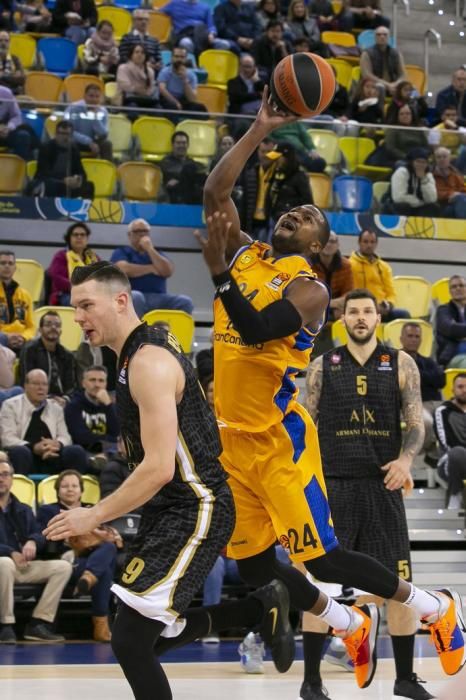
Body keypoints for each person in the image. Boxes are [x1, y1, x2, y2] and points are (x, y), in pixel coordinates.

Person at [198, 87, 465, 693]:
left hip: (280, 439)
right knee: (253, 563)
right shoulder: (247, 257)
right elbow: (216, 195)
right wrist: (260, 127)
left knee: (319, 558)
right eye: (290, 210)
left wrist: (215, 273)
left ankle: (434, 606)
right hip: (230, 438)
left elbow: (258, 327)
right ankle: (347, 622)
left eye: (309, 217)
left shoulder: (311, 291)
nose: (294, 212)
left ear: (320, 247)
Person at [44, 260, 297, 700]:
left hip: (196, 505)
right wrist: (116, 518)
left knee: (130, 641)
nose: (77, 317)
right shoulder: (133, 351)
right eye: (74, 307)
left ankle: (261, 606)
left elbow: (160, 467)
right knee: (142, 637)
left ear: (121, 300)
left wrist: (94, 515)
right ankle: (259, 607)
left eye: (86, 305)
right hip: (170, 506)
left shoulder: (149, 362)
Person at [302, 289, 434, 700]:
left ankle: (405, 678)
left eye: (367, 311)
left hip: (383, 486)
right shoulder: (323, 365)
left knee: (400, 584)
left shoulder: (401, 363)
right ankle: (311, 681)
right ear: (343, 319)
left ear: (379, 317)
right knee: (319, 587)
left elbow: (415, 422)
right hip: (334, 487)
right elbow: (306, 421)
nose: (361, 317)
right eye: (353, 311)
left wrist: (406, 460)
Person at [37, 469, 119, 642]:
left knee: (108, 549)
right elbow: (45, 539)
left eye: (74, 485)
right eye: (65, 486)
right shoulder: (48, 510)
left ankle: (88, 577)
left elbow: (109, 535)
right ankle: (101, 626)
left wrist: (104, 534)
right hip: (68, 560)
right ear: (58, 490)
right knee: (104, 568)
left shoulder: (92, 510)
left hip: (92, 559)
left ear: (81, 490)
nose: (70, 489)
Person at [0, 452, 72, 643]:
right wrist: (10, 551)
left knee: (62, 567)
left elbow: (40, 533)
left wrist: (32, 541)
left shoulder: (22, 508)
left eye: (5, 475)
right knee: (4, 563)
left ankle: (39, 623)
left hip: (23, 566)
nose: (1, 479)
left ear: (12, 479)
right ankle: (5, 625)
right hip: (4, 565)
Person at [0, 369, 88, 476]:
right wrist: (34, 447)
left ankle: (74, 488)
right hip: (27, 456)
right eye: (36, 384)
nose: (41, 388)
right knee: (20, 452)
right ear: (25, 386)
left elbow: (65, 437)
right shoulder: (10, 405)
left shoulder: (55, 408)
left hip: (53, 454)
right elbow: (7, 438)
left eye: (44, 384)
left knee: (76, 451)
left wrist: (57, 444)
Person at [110, 217, 194, 318]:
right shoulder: (122, 251)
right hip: (133, 296)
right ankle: (136, 332)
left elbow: (167, 271)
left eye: (145, 231)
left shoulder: (156, 253)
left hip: (159, 297)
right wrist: (152, 268)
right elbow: (123, 269)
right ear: (129, 235)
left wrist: (150, 249)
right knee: (136, 296)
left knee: (185, 301)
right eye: (137, 231)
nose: (142, 234)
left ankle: (175, 333)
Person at [400, 322, 445, 462]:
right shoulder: (394, 359)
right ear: (401, 338)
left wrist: (415, 374)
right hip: (408, 405)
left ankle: (449, 455)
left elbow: (441, 380)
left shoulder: (428, 361)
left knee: (456, 415)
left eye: (417, 336)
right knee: (426, 421)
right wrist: (427, 378)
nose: (413, 339)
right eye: (410, 336)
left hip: (434, 403)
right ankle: (429, 453)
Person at [349, 229, 410, 321]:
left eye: (372, 242)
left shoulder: (384, 267)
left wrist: (388, 305)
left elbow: (391, 293)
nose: (369, 245)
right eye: (365, 242)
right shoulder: (350, 265)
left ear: (376, 244)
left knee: (404, 314)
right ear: (359, 243)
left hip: (382, 310)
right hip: (360, 308)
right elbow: (350, 292)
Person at [64, 365, 119, 465]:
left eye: (101, 381)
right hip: (85, 452)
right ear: (83, 383)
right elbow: (80, 437)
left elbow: (117, 434)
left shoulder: (111, 407)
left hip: (109, 451)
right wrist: (106, 442)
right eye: (92, 380)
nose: (97, 384)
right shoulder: (73, 406)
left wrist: (108, 406)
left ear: (106, 384)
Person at [19, 310, 77, 405]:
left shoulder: (67, 355)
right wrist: (46, 399)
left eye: (57, 325)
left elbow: (71, 386)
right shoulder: (30, 350)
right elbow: (26, 380)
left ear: (61, 331)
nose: (53, 327)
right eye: (48, 324)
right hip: (36, 399)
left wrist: (65, 399)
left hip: (61, 401)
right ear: (40, 329)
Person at [29, 120, 94, 199]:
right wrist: (64, 179)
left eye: (68, 134)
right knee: (50, 184)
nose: (65, 137)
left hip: (68, 182)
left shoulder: (74, 149)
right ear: (56, 134)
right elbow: (44, 172)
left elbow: (81, 172)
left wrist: (77, 179)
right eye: (62, 134)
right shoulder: (46, 147)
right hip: (51, 180)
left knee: (89, 186)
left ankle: (84, 209)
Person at [47, 222, 100, 306]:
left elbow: (103, 278)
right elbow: (57, 278)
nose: (79, 237)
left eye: (82, 235)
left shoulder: (94, 258)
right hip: (66, 294)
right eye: (75, 235)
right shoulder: (61, 256)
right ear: (69, 238)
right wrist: (79, 288)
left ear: (87, 238)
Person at [434, 373, 466, 511]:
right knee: (457, 452)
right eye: (460, 386)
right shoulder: (443, 411)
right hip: (449, 461)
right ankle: (455, 495)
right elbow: (446, 443)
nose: (464, 390)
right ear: (452, 389)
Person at [264, 142, 313, 230]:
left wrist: (288, 211)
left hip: (289, 224)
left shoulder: (299, 176)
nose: (275, 160)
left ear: (287, 157)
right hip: (273, 219)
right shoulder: (276, 173)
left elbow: (308, 202)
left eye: (278, 157)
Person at [310, 231, 353, 322]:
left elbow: (348, 293)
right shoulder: (308, 263)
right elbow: (307, 295)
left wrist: (335, 303)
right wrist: (330, 303)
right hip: (313, 307)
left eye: (332, 241)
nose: (328, 244)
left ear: (338, 245)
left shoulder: (346, 265)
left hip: (337, 308)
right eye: (325, 241)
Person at [386, 147, 440, 218]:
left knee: (433, 207)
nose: (421, 165)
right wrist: (419, 202)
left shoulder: (428, 175)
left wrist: (423, 180)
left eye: (424, 162)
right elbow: (398, 197)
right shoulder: (402, 172)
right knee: (403, 206)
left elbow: (432, 199)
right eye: (418, 161)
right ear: (412, 162)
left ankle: (422, 227)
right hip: (396, 206)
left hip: (418, 207)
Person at [64, 83, 112, 161]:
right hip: (77, 141)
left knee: (107, 144)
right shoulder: (73, 108)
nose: (94, 99)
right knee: (69, 143)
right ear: (84, 96)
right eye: (91, 96)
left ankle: (108, 171)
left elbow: (104, 134)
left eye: (97, 97)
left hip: (95, 142)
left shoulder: (103, 111)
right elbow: (69, 130)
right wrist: (88, 142)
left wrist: (95, 118)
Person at [161, 0, 229, 55]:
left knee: (224, 44)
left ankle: (211, 67)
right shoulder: (174, 4)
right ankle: (193, 67)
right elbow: (158, 13)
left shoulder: (205, 7)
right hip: (184, 35)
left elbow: (211, 26)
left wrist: (212, 33)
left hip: (203, 36)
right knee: (186, 43)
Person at [0, 250, 35, 353]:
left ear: (15, 268)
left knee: (39, 343)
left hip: (21, 340)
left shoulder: (25, 295)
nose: (7, 266)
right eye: (3, 263)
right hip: (1, 338)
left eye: (10, 263)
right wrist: (6, 337)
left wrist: (23, 337)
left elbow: (31, 327)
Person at [157, 46, 207, 117]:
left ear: (186, 59)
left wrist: (185, 80)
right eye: (176, 57)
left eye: (182, 57)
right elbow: (162, 89)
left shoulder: (191, 75)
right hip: (168, 99)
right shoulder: (165, 72)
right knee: (172, 108)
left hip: (183, 100)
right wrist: (175, 102)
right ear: (171, 58)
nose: (179, 59)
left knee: (200, 108)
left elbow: (192, 99)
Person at [159, 131, 207, 204]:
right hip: (173, 196)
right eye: (178, 143)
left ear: (188, 145)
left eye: (184, 143)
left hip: (191, 196)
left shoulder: (192, 163)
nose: (181, 145)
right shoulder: (166, 162)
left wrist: (178, 179)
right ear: (173, 145)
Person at [360, 27, 406, 99]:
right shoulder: (366, 53)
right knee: (380, 88)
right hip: (374, 85)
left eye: (385, 34)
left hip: (393, 85)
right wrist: (387, 85)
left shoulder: (396, 53)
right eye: (379, 34)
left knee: (411, 90)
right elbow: (367, 75)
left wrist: (396, 84)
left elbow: (403, 75)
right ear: (375, 37)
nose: (382, 37)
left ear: (389, 37)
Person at [435, 274, 466, 368]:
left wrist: (460, 332)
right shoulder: (443, 310)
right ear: (450, 291)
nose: (458, 288)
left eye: (461, 285)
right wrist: (457, 331)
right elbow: (451, 329)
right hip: (453, 357)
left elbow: (457, 330)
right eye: (454, 287)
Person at [116, 43, 158, 110]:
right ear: (131, 55)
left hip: (146, 99)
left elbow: (151, 88)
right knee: (133, 108)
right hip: (128, 99)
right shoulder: (123, 68)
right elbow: (125, 86)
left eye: (142, 52)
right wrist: (138, 89)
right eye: (137, 52)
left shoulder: (150, 71)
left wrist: (145, 92)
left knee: (158, 108)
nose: (140, 54)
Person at [0, 86, 34, 160]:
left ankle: (21, 168)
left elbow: (16, 115)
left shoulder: (6, 93)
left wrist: (9, 127)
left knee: (23, 136)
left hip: (4, 131)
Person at [227, 53, 264, 121]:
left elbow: (266, 94)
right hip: (240, 115)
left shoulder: (257, 81)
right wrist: (258, 95)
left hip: (258, 113)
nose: (247, 69)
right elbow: (238, 97)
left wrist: (257, 81)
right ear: (240, 67)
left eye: (249, 67)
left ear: (254, 68)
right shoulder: (233, 82)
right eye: (245, 66)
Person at [433, 146, 466, 219]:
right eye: (439, 157)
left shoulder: (456, 173)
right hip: (441, 204)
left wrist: (459, 195)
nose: (442, 159)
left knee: (461, 201)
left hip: (458, 202)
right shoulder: (431, 174)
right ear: (435, 159)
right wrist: (452, 194)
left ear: (449, 159)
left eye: (444, 157)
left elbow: (464, 187)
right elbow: (435, 192)